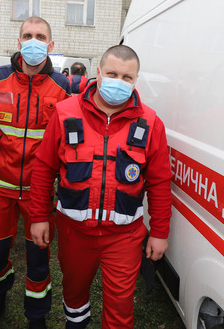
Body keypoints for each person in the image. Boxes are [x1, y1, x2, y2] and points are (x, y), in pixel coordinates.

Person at [30, 45, 172, 328]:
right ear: (98, 72)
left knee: (120, 308)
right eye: (112, 73)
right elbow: (44, 168)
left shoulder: (151, 122)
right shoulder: (64, 112)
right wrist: (37, 217)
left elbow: (159, 181)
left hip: (124, 237)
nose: (119, 82)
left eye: (127, 77)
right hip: (74, 233)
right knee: (74, 294)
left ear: (135, 80)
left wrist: (159, 232)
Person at [0, 16, 71, 329]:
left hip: (39, 193)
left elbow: (67, 145)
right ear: (19, 41)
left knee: (39, 258)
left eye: (40, 36)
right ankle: (0, 287)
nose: (33, 41)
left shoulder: (62, 87)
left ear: (50, 45)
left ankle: (36, 316)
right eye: (28, 35)